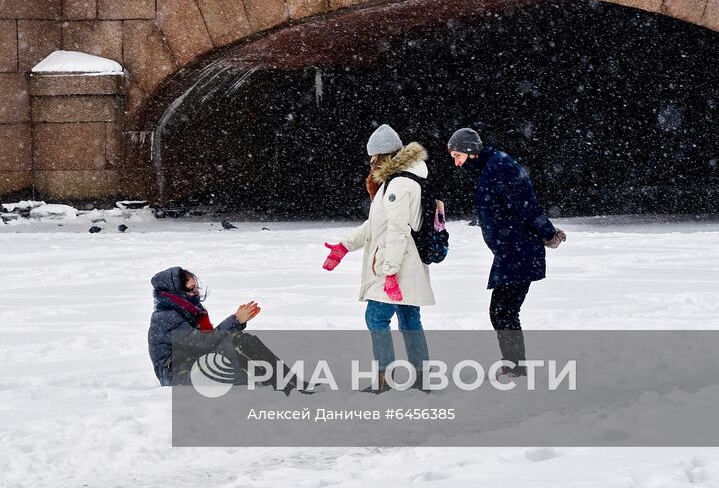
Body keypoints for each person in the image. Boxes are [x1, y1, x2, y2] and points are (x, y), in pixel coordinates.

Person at [323, 124, 434, 393]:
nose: (371, 163)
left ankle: (384, 381)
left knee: (376, 317)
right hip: (406, 261)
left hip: (396, 263)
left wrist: (390, 270)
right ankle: (421, 380)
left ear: (384, 156)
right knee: (409, 319)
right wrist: (344, 246)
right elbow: (376, 224)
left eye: (373, 158)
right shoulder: (401, 180)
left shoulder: (398, 184)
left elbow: (397, 229)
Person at [447, 127, 566, 377]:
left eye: (457, 155)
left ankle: (515, 367)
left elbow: (527, 204)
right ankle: (514, 365)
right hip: (510, 249)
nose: (456, 163)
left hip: (519, 249)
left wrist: (548, 233)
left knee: (502, 310)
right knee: (503, 310)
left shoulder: (500, 167)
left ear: (470, 151)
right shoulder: (488, 169)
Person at [147, 266, 310, 394]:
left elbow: (207, 339)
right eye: (191, 289)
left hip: (191, 364)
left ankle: (290, 382)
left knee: (241, 343)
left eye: (196, 287)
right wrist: (235, 320)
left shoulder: (189, 310)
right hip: (177, 374)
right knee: (236, 352)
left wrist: (236, 324)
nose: (196, 292)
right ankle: (286, 385)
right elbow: (204, 343)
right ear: (176, 292)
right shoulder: (166, 317)